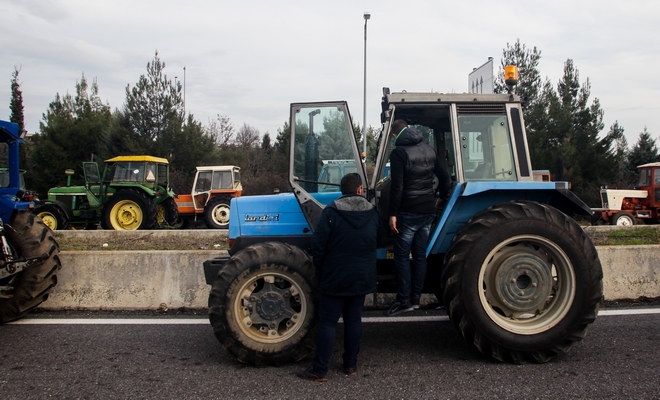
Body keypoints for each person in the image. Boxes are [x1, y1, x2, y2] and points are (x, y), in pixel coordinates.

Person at [296, 173, 383, 382]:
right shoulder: (373, 214)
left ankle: (320, 369)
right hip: (361, 277)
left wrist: (321, 270)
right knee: (354, 320)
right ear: (360, 189)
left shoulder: (331, 212)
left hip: (335, 276)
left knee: (328, 322)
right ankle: (350, 365)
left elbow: (318, 245)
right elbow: (378, 240)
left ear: (342, 191)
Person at [385, 119, 451, 316]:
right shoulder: (429, 149)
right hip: (427, 211)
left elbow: (397, 187)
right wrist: (440, 197)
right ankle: (415, 299)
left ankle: (403, 300)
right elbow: (445, 177)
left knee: (402, 257)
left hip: (407, 211)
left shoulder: (399, 153)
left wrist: (393, 213)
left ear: (395, 135)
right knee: (420, 256)